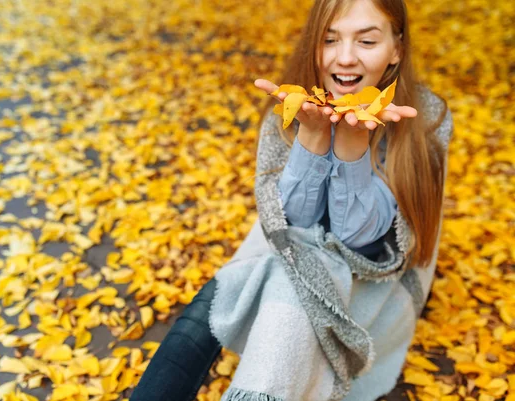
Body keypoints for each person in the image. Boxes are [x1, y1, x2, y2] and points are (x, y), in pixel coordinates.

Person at [130, 0, 452, 400]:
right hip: (289, 246)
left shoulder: (427, 115)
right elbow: (288, 225)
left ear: (396, 49)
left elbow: (363, 243)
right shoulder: (293, 105)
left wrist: (353, 146)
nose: (346, 58)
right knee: (209, 312)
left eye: (367, 40)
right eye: (329, 39)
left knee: (287, 291)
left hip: (368, 275)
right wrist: (313, 139)